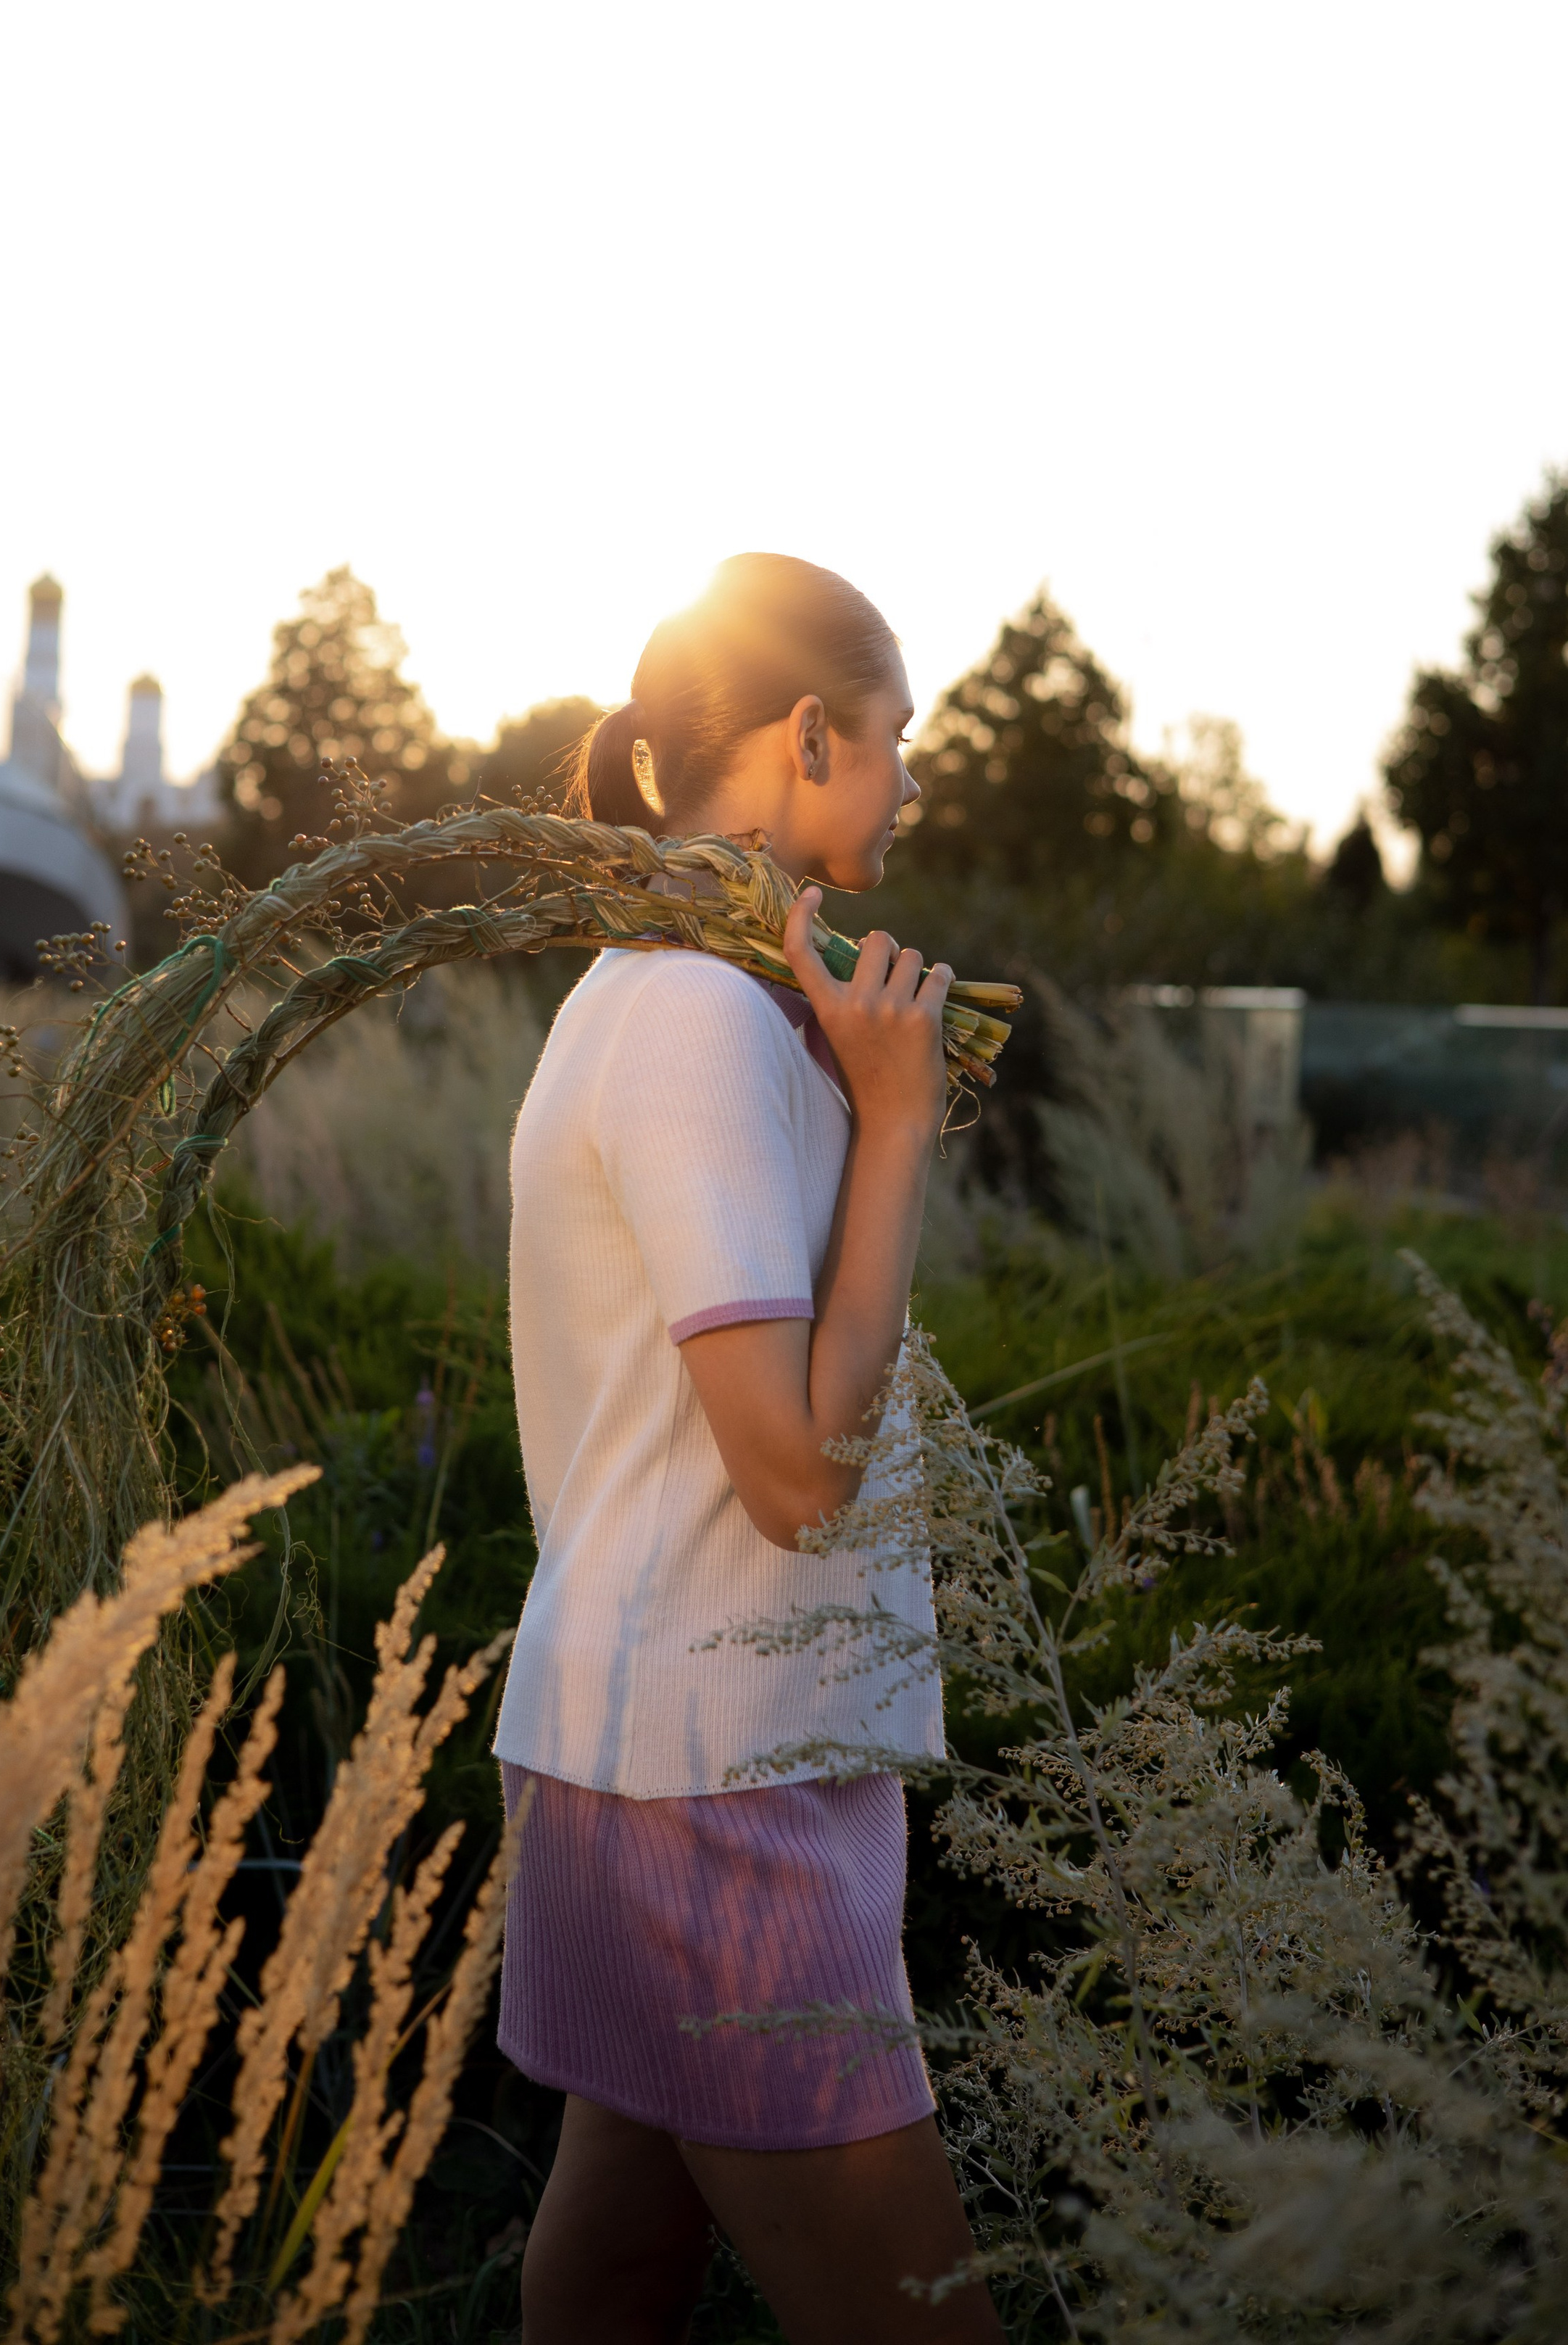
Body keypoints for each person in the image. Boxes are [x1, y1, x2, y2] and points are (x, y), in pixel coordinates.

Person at [494, 555, 1003, 2345]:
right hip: (712, 1775)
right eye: (897, 742)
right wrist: (898, 1125)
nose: (914, 785)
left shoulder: (672, 1001)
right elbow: (791, 1482)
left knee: (620, 2262)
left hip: (672, 1748)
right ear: (805, 735)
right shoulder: (696, 1023)